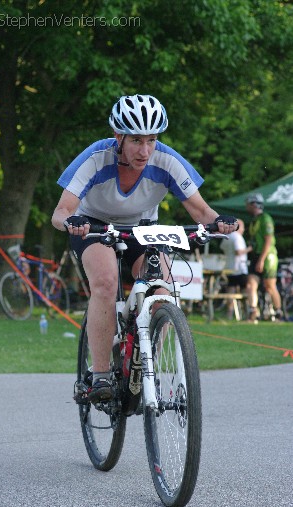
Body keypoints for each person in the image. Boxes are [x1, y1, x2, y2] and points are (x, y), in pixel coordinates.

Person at [51, 94, 238, 403]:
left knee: (164, 288)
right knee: (106, 282)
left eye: (151, 139)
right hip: (93, 224)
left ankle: (144, 362)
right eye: (136, 140)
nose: (145, 150)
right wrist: (72, 222)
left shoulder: (166, 160)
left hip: (143, 228)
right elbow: (61, 212)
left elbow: (202, 213)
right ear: (118, 137)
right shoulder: (97, 158)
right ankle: (100, 376)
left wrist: (221, 223)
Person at [245, 192, 282, 322]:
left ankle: (278, 313)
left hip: (268, 257)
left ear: (254, 204)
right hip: (256, 255)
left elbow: (268, 240)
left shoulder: (266, 219)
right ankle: (253, 312)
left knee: (270, 286)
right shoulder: (254, 221)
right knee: (251, 284)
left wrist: (261, 259)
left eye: (248, 203)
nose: (246, 206)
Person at [220, 219, 252, 319]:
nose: (243, 230)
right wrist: (249, 249)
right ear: (239, 227)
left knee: (231, 290)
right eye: (242, 227)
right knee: (244, 291)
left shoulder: (227, 237)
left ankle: (229, 313)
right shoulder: (237, 237)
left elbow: (222, 248)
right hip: (240, 268)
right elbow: (238, 252)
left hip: (229, 267)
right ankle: (247, 313)